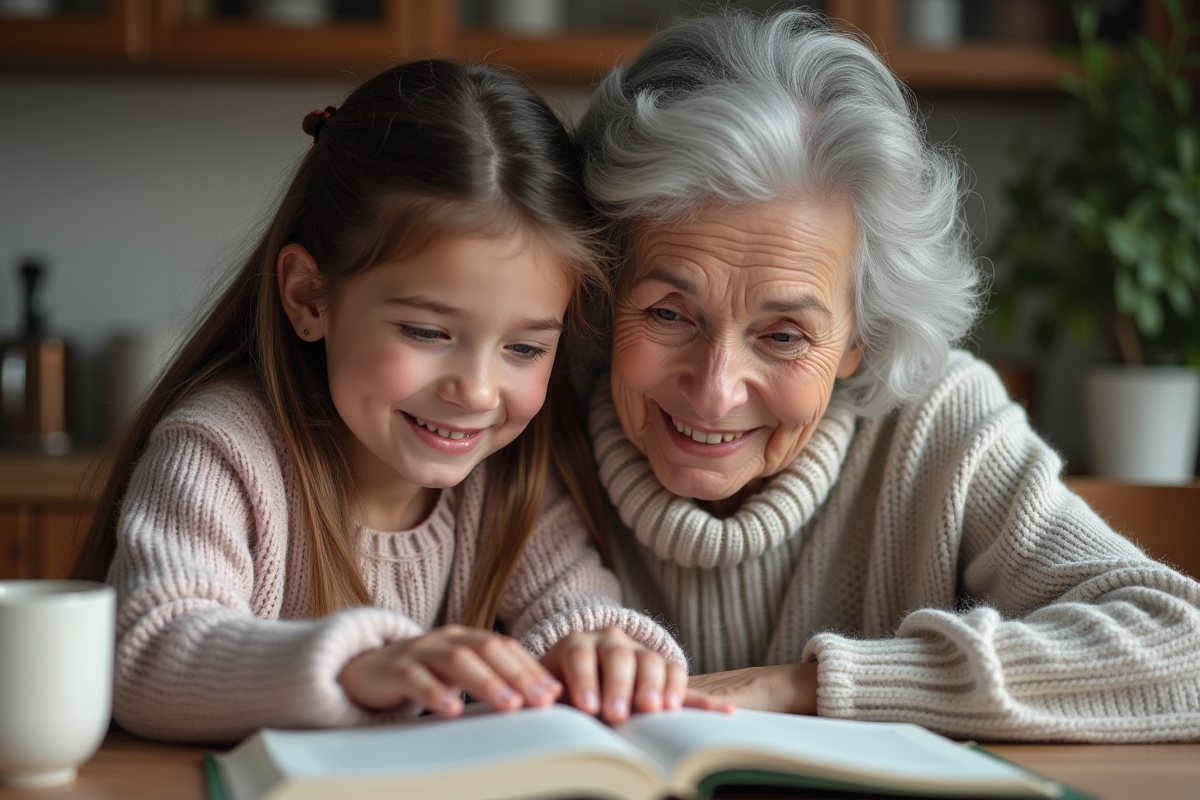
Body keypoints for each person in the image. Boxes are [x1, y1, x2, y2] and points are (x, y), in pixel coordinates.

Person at [574, 10, 1200, 742]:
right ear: (606, 287)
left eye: (783, 335)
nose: (716, 390)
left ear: (860, 339)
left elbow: (1182, 648)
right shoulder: (520, 423)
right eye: (668, 314)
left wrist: (801, 686)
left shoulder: (940, 428)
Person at [71, 60, 721, 743]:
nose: (476, 390)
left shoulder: (507, 483)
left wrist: (604, 651)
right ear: (309, 298)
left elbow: (575, 609)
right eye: (427, 333)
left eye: (525, 348)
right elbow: (150, 654)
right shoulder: (222, 450)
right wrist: (357, 666)